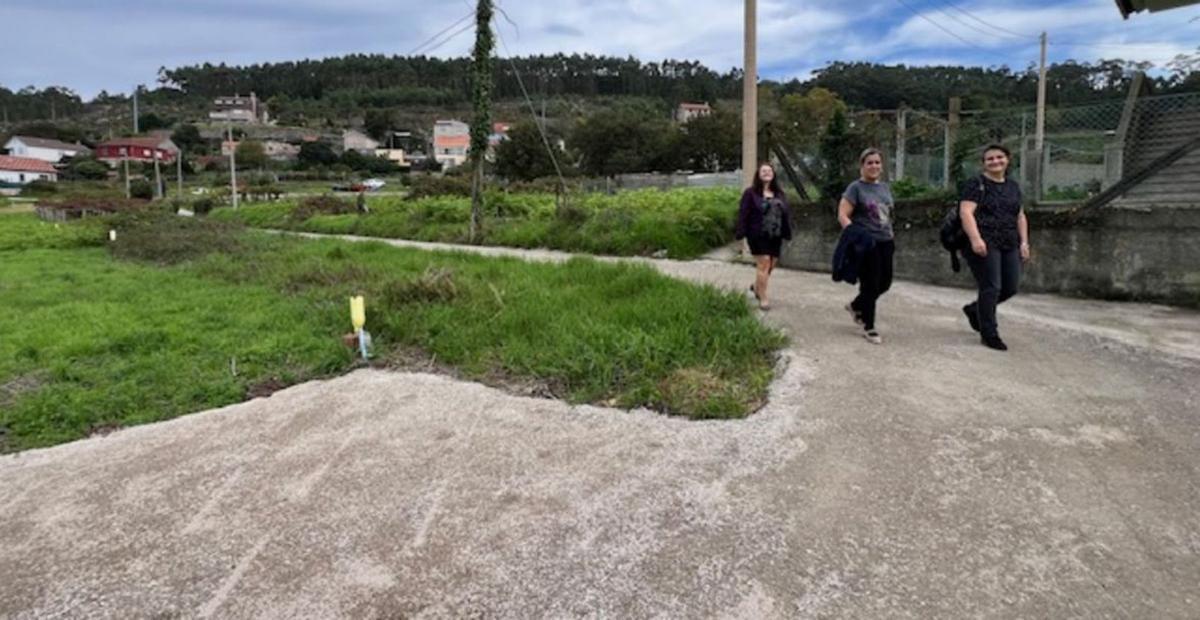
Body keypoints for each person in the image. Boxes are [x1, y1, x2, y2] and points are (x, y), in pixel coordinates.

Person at [959, 144, 1030, 351]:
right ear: (984, 163)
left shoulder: (1013, 186)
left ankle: (975, 310)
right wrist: (975, 238)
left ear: (1007, 160)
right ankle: (989, 333)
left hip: (1010, 242)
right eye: (990, 159)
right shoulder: (976, 184)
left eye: (999, 157)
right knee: (991, 287)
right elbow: (966, 212)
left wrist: (1024, 242)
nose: (995, 161)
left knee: (1011, 287)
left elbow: (1020, 215)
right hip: (985, 241)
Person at [837, 148, 895, 344]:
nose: (874, 166)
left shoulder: (885, 188)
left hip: (886, 241)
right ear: (862, 166)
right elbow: (843, 215)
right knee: (870, 284)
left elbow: (887, 214)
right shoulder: (856, 188)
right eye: (869, 163)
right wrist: (855, 235)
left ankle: (856, 305)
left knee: (884, 283)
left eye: (877, 162)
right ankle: (868, 326)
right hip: (866, 243)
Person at [736, 163, 793, 311]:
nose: (767, 173)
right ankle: (763, 296)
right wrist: (741, 234)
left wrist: (787, 232)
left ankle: (756, 287)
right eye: (763, 171)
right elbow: (743, 214)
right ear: (758, 174)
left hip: (776, 234)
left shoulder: (779, 193)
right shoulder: (750, 193)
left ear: (773, 174)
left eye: (769, 171)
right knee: (764, 263)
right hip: (757, 234)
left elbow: (785, 214)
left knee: (771, 265)